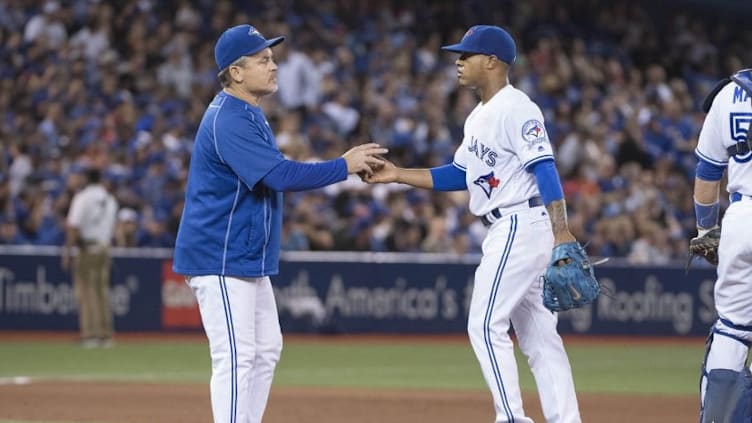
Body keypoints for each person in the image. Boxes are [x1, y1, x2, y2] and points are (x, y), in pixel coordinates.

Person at [364, 25, 581, 422]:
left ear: (492, 61)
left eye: (467, 55)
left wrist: (561, 229)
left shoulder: (518, 108)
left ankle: (511, 418)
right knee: (540, 338)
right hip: (513, 226)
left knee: (484, 324)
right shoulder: (480, 115)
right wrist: (397, 175)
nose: (458, 62)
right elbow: (457, 174)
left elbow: (545, 168)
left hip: (519, 223)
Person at [172, 24, 386, 423]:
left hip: (244, 255)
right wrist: (344, 166)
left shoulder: (248, 112)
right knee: (235, 358)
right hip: (219, 255)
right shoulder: (229, 118)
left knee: (266, 349)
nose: (274, 66)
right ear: (236, 72)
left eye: (272, 58)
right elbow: (280, 177)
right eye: (263, 60)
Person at [692, 69, 752, 422]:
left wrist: (705, 231)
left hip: (742, 218)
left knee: (732, 328)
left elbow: (708, 171)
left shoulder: (730, 94)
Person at [62, 167, 118, 348]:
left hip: (87, 248)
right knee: (102, 292)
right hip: (104, 247)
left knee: (86, 292)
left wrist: (68, 251)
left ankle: (90, 334)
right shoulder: (109, 199)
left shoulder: (83, 197)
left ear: (86, 179)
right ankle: (105, 334)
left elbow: (73, 226)